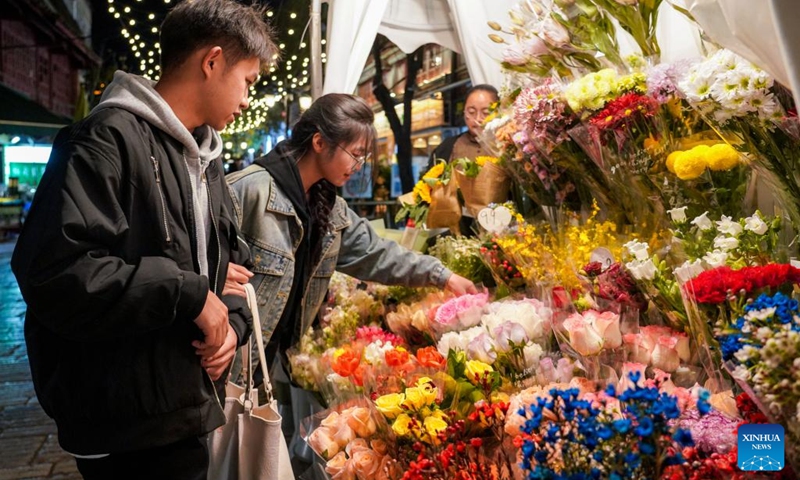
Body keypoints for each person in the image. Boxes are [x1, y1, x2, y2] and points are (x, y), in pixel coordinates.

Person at [10, 1, 275, 479]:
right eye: (248, 80)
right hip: (122, 421)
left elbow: (234, 262)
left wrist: (231, 325)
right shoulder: (102, 141)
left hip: (185, 405)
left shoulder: (206, 156)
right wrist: (192, 293)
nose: (247, 98)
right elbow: (57, 273)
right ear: (211, 62)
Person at [227, 93, 477, 369]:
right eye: (355, 155)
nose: (358, 167)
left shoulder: (330, 208)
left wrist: (444, 276)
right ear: (319, 142)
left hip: (266, 364)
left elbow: (376, 253)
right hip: (226, 361)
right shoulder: (248, 190)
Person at [427, 84, 499, 170]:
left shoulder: (508, 146)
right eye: (471, 112)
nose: (478, 118)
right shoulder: (448, 146)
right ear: (464, 112)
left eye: (486, 113)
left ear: (499, 112)